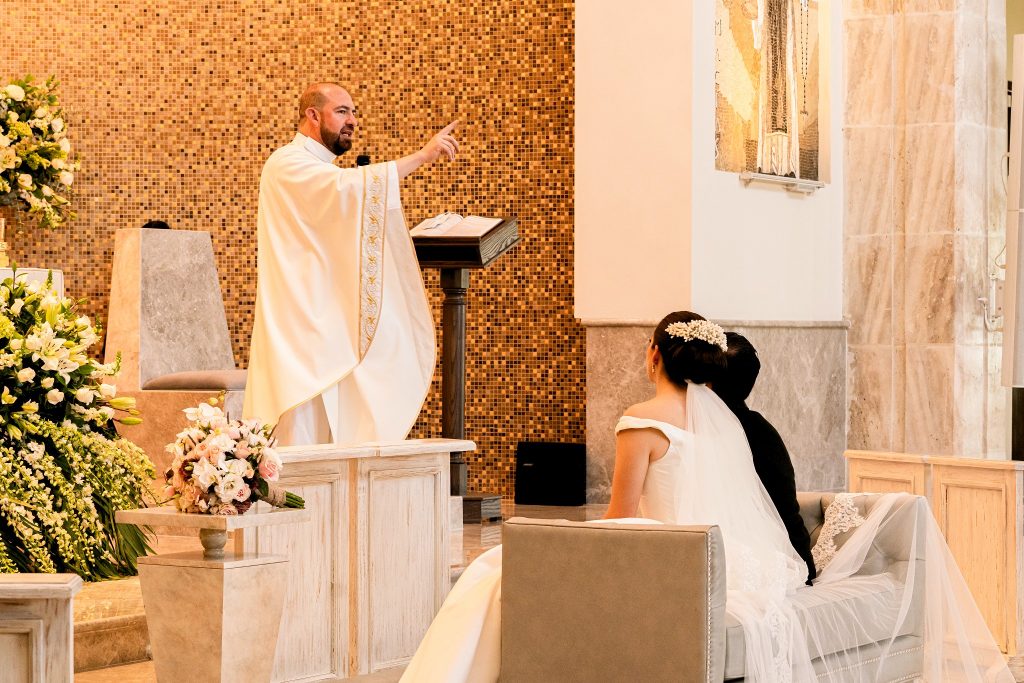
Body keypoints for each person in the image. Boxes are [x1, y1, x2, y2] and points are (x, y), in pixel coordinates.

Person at [401, 311, 1015, 682]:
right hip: (742, 560)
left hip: (666, 557)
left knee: (490, 569)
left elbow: (616, 520)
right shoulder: (727, 425)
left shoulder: (641, 421)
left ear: (652, 356)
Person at [244, 82, 459, 445]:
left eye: (353, 112)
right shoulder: (288, 162)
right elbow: (348, 188)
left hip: (319, 318)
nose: (353, 121)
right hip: (298, 323)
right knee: (302, 430)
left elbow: (344, 201)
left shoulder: (317, 168)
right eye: (342, 111)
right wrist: (422, 156)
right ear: (313, 115)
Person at [713, 331, 816, 584]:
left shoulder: (753, 434)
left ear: (708, 382)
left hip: (783, 560)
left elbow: (781, 511)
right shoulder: (744, 426)